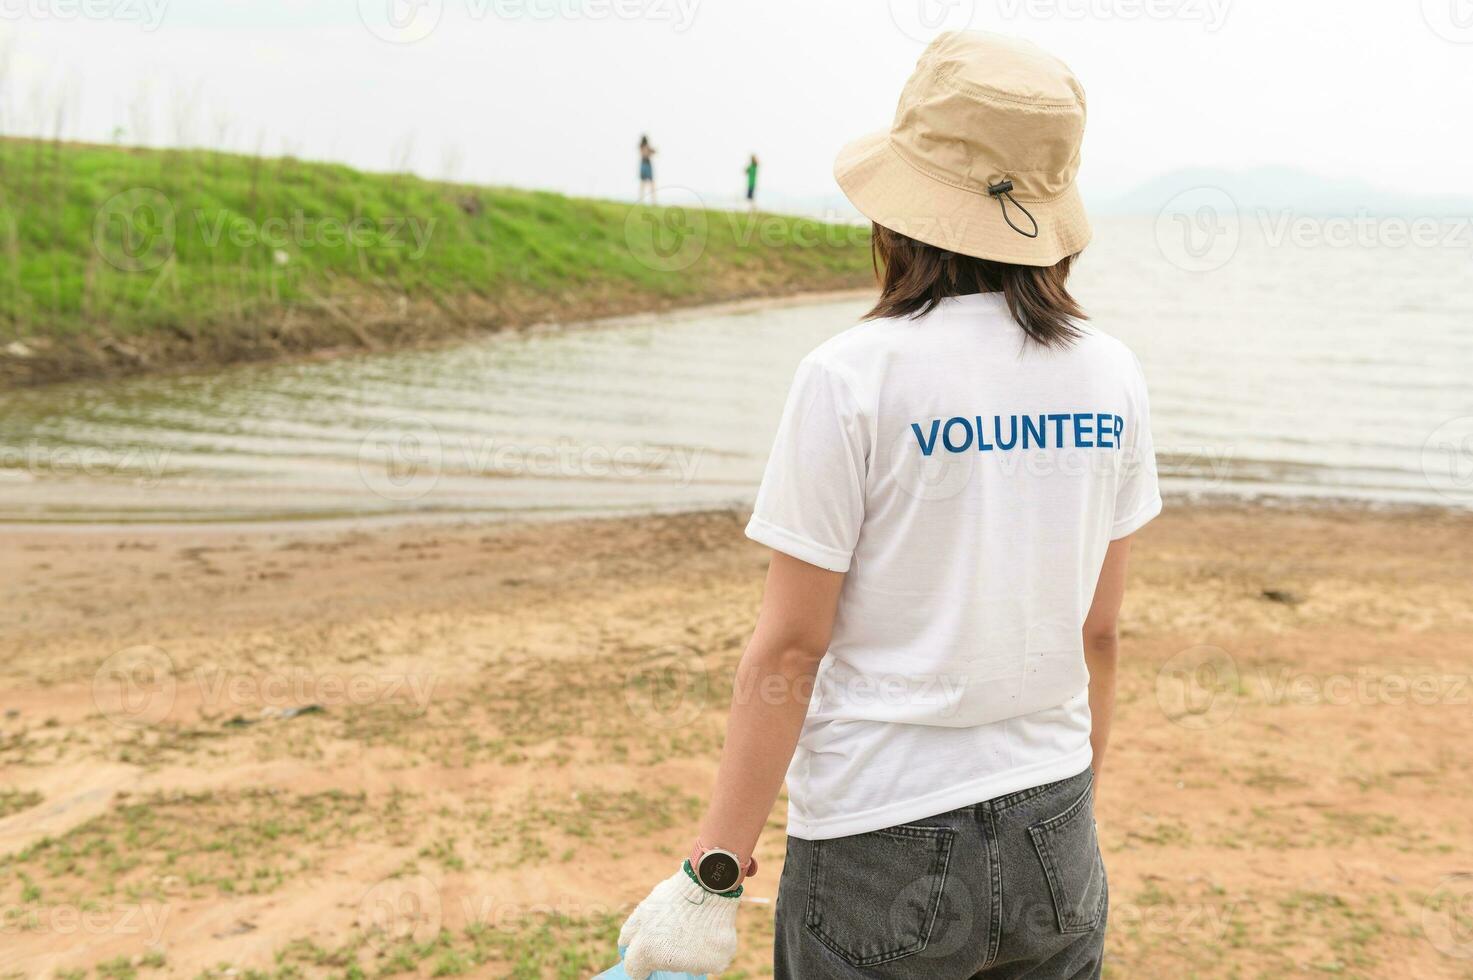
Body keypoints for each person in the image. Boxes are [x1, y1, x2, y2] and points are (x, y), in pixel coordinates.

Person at [616, 31, 1160, 979]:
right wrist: (1067, 813)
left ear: (901, 209)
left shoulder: (851, 376)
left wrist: (711, 878)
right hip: (1056, 820)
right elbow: (1099, 630)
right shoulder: (1109, 374)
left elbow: (792, 645)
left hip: (879, 833)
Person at [638, 134, 657, 204]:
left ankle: (653, 201)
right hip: (646, 165)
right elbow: (646, 154)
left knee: (648, 183)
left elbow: (653, 152)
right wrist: (649, 150)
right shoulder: (642, 147)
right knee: (644, 183)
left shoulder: (642, 147)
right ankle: (642, 200)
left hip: (645, 165)